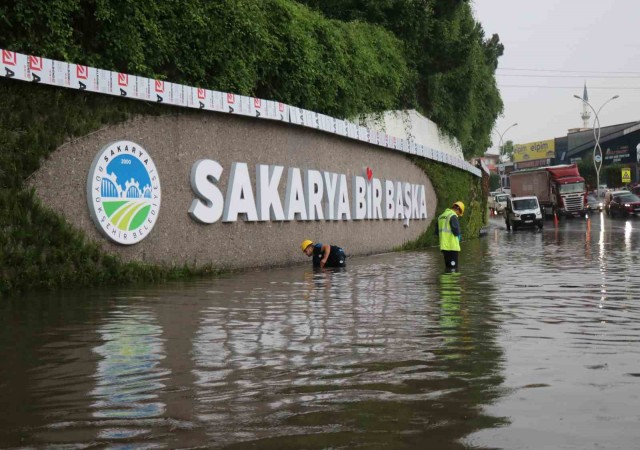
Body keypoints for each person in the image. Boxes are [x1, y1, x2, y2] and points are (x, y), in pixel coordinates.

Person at [436, 201, 464, 272]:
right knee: (453, 269)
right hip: (452, 247)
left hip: (444, 247)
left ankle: (446, 282)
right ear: (458, 209)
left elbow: (437, 232)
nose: (458, 215)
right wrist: (459, 237)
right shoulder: (452, 216)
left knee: (448, 267)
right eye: (459, 213)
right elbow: (456, 231)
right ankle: (452, 283)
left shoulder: (441, 216)